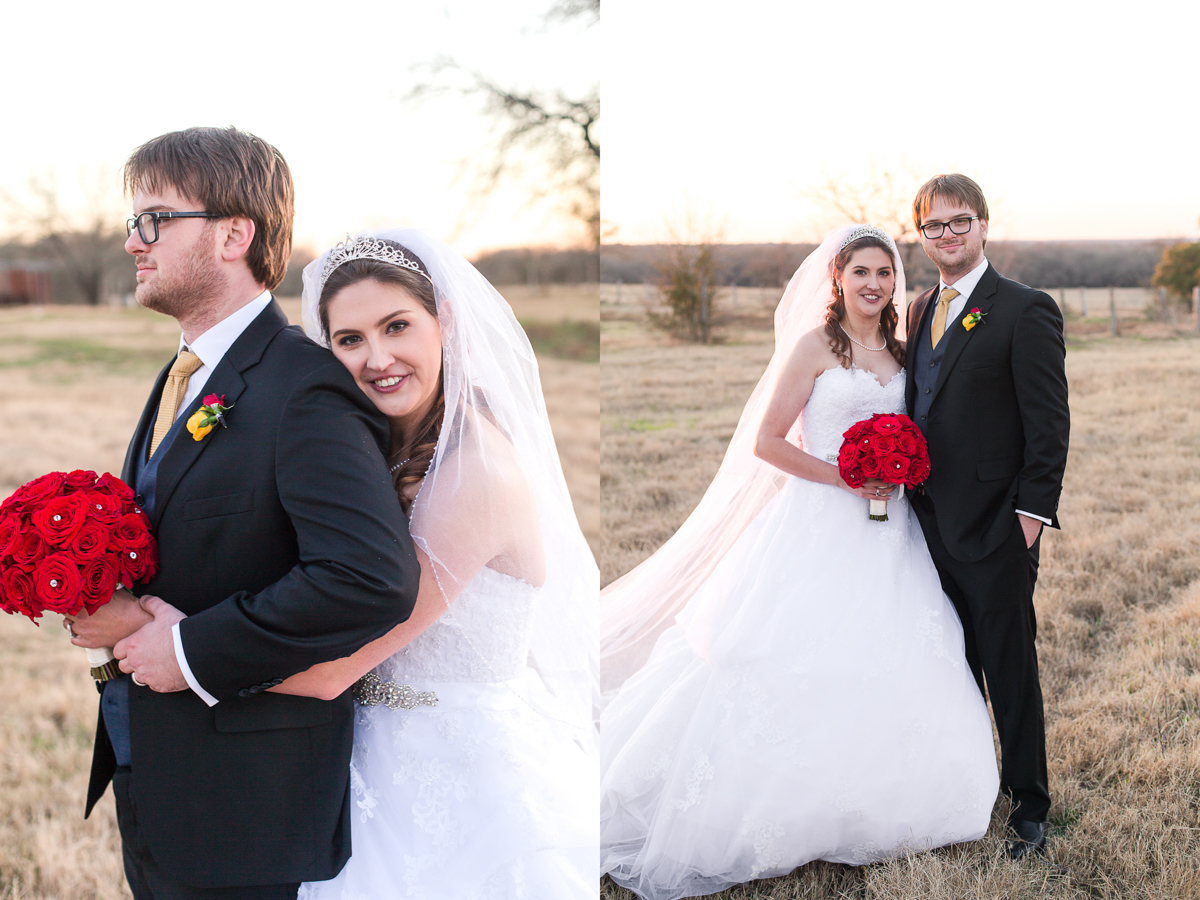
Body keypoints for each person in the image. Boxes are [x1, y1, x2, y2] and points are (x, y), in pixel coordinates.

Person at [66, 127, 420, 899]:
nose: (134, 241)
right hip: (163, 778)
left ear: (234, 234)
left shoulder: (305, 386)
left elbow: (369, 577)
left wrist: (190, 649)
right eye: (133, 222)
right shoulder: (184, 373)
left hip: (249, 810)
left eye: (155, 219)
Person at [599, 225, 1001, 900]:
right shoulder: (814, 347)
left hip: (890, 527)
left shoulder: (903, 348)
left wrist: (899, 466)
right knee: (789, 654)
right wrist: (842, 474)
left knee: (900, 649)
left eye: (885, 273)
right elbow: (765, 442)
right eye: (862, 272)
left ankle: (888, 795)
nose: (875, 284)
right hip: (818, 521)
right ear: (837, 277)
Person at [270, 230, 598, 899]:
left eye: (397, 327)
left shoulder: (473, 470)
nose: (377, 358)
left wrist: (178, 652)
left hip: (459, 776)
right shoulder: (378, 447)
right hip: (367, 758)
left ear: (443, 320)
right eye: (350, 339)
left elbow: (337, 668)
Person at [905, 175, 1069, 859]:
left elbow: (1049, 424)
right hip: (926, 525)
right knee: (949, 663)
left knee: (1008, 667)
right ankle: (967, 787)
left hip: (998, 527)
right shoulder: (918, 308)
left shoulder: (1024, 309)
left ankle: (1029, 802)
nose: (947, 235)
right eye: (933, 226)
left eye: (959, 222)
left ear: (984, 225)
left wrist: (1028, 520)